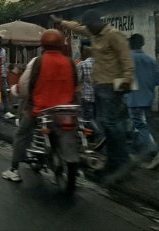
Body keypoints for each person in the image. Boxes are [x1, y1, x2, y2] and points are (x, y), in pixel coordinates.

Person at [54, 9, 134, 180]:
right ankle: (114, 163)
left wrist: (127, 80)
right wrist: (61, 22)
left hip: (112, 86)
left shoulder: (114, 35)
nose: (88, 28)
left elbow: (126, 59)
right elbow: (77, 27)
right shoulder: (94, 32)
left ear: (98, 22)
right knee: (107, 126)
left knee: (112, 125)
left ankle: (122, 164)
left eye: (90, 25)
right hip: (99, 86)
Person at [2, 29, 77, 183]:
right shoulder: (70, 62)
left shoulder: (38, 61)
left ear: (42, 44)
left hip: (41, 109)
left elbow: (26, 85)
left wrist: (17, 91)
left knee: (22, 134)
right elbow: (76, 85)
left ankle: (14, 169)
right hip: (66, 110)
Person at [127, 33, 159, 169]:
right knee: (138, 125)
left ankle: (156, 153)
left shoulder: (127, 59)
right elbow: (157, 81)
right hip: (148, 98)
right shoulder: (151, 60)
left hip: (134, 98)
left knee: (139, 125)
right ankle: (135, 151)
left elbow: (123, 82)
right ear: (142, 44)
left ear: (129, 44)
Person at [76, 45, 97, 124]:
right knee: (96, 117)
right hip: (98, 96)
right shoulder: (99, 63)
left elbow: (78, 79)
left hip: (87, 96)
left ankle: (96, 134)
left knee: (87, 118)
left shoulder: (82, 64)